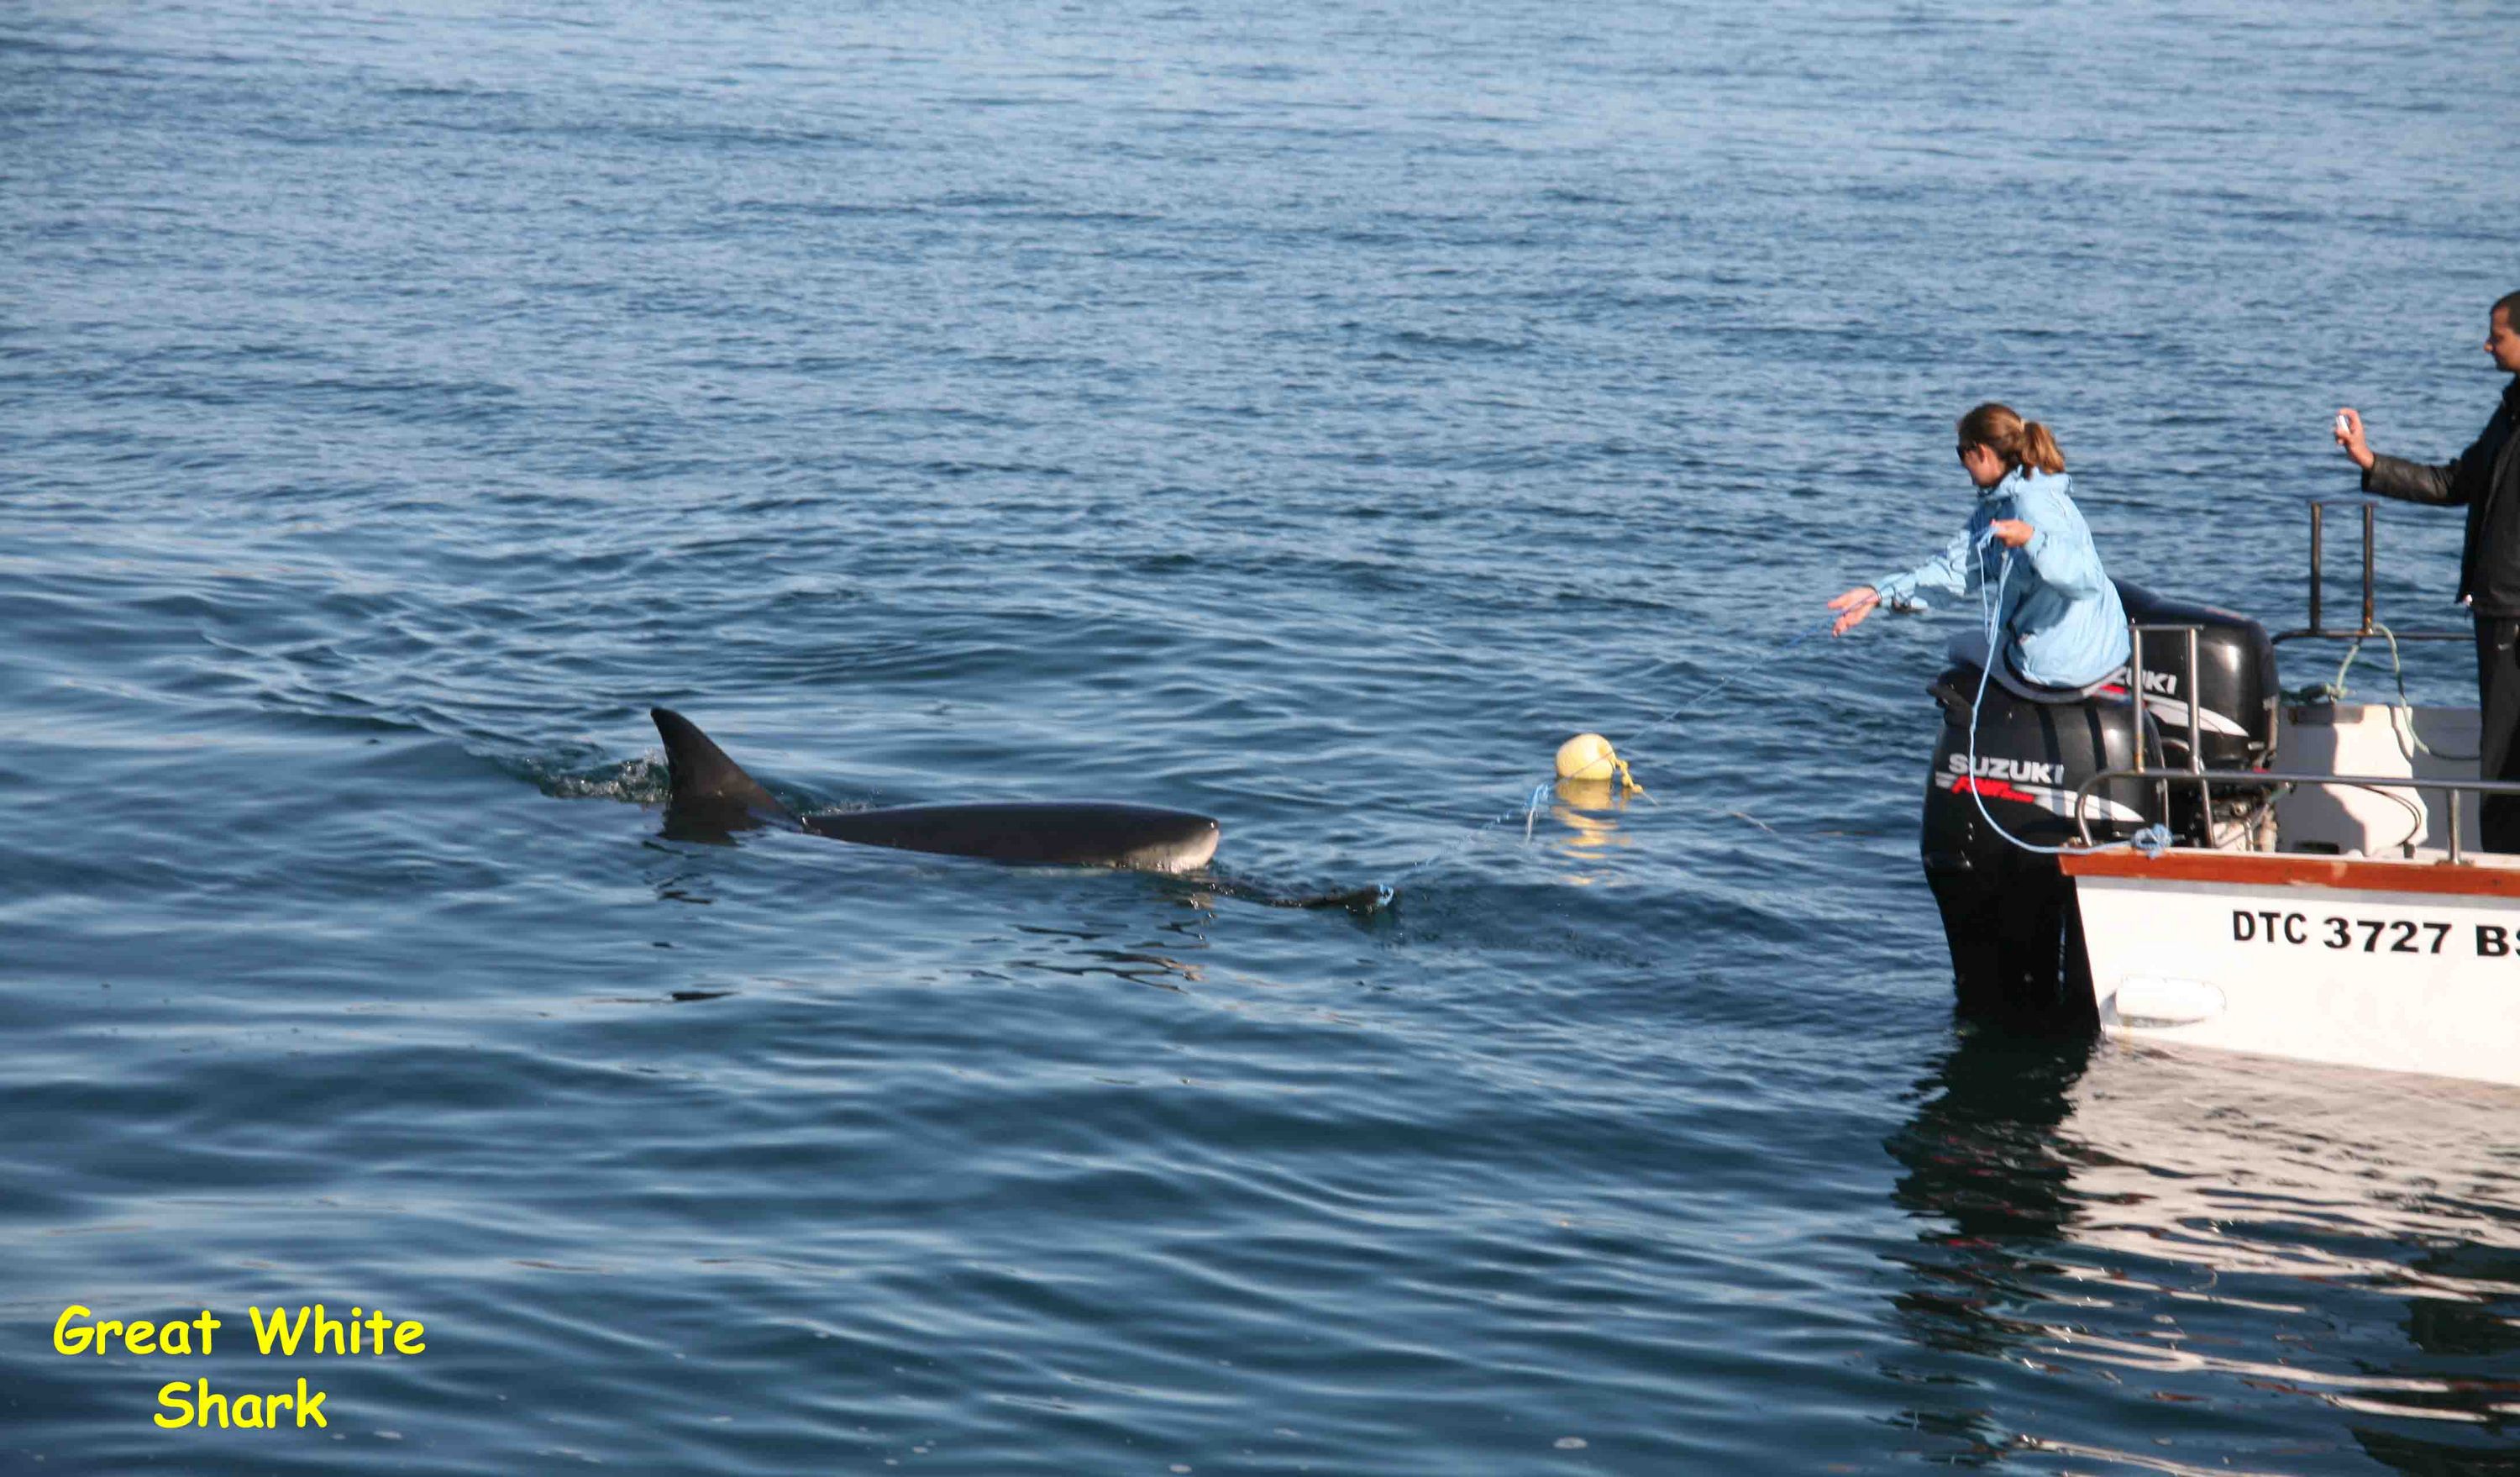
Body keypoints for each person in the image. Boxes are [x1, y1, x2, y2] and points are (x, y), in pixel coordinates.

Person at [2334, 289, 2520, 849]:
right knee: (2501, 748)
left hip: (2514, 608)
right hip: (2497, 607)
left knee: (2508, 752)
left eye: (2499, 334)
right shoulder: (2509, 413)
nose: (2486, 343)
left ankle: (2505, 873)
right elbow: (2454, 482)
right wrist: (2371, 462)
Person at [1829, 403, 2129, 694]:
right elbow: (1954, 571)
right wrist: (1877, 595)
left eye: (1962, 453)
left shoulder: (2032, 506)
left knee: (1958, 650)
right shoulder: (2003, 503)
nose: (1962, 464)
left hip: (2062, 664)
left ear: (1982, 452)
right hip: (2105, 652)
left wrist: (2032, 539)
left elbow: (2085, 580)